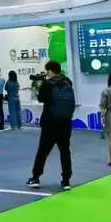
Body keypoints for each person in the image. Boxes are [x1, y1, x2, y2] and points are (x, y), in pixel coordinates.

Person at [27, 61, 75, 190]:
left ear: (49, 70)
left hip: (50, 122)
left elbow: (41, 99)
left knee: (43, 152)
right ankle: (66, 180)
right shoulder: (68, 81)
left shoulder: (47, 84)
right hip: (65, 122)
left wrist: (41, 85)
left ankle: (35, 178)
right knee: (65, 151)